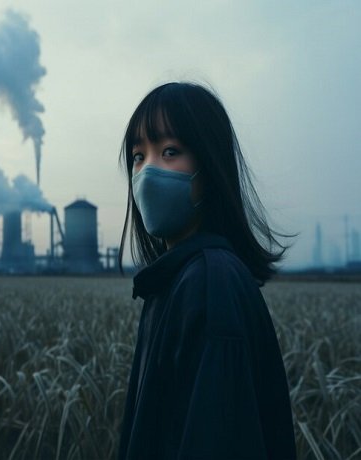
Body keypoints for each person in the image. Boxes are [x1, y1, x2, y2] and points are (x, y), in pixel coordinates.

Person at [117, 82, 297, 459]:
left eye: (170, 152)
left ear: (210, 166)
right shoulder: (175, 281)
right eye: (138, 156)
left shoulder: (208, 286)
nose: (148, 171)